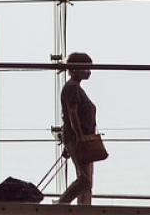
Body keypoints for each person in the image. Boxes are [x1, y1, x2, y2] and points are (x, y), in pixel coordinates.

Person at [58, 52, 97, 205]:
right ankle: (61, 205)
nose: (89, 72)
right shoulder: (72, 88)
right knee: (85, 180)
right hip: (79, 139)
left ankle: (82, 207)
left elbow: (69, 116)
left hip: (80, 138)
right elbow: (72, 114)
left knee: (86, 179)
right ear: (74, 69)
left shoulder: (74, 88)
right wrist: (80, 137)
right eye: (86, 68)